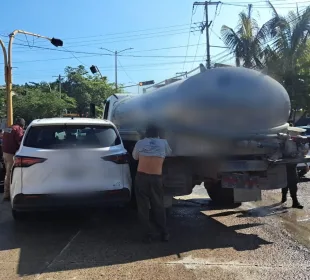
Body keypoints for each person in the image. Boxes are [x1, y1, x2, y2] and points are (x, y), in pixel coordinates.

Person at [132, 124, 172, 243]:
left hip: (141, 177)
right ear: (158, 133)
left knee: (143, 208)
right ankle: (164, 233)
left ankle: (147, 235)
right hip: (156, 178)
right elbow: (169, 154)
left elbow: (135, 158)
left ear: (146, 133)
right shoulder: (163, 143)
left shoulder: (140, 143)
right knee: (158, 205)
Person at [2, 118, 25, 201]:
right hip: (12, 154)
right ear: (22, 124)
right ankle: (8, 194)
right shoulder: (18, 129)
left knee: (7, 174)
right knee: (11, 174)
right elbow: (20, 142)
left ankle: (6, 193)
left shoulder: (8, 128)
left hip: (5, 153)